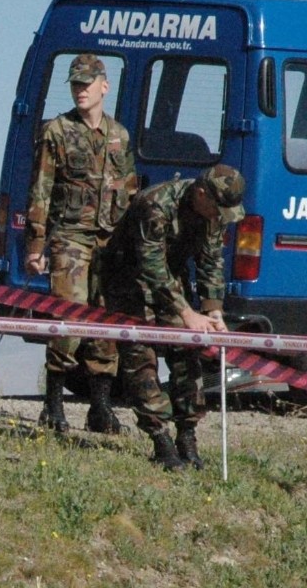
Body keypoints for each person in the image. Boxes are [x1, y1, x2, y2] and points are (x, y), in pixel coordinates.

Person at [104, 164, 246, 470]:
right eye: (217, 209)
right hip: (128, 280)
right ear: (200, 194)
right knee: (140, 358)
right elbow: (150, 265)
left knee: (187, 352)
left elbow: (211, 261)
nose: (219, 218)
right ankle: (161, 441)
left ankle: (187, 436)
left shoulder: (213, 213)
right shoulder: (156, 204)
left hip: (171, 281)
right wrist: (186, 313)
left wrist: (212, 311)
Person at [24, 53, 137, 435]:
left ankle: (100, 408)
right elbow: (40, 190)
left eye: (87, 84)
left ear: (104, 86)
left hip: (109, 242)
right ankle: (53, 405)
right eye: (75, 84)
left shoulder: (119, 135)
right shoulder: (56, 131)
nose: (80, 90)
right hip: (70, 239)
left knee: (105, 325)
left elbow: (130, 192)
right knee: (69, 320)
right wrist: (36, 246)